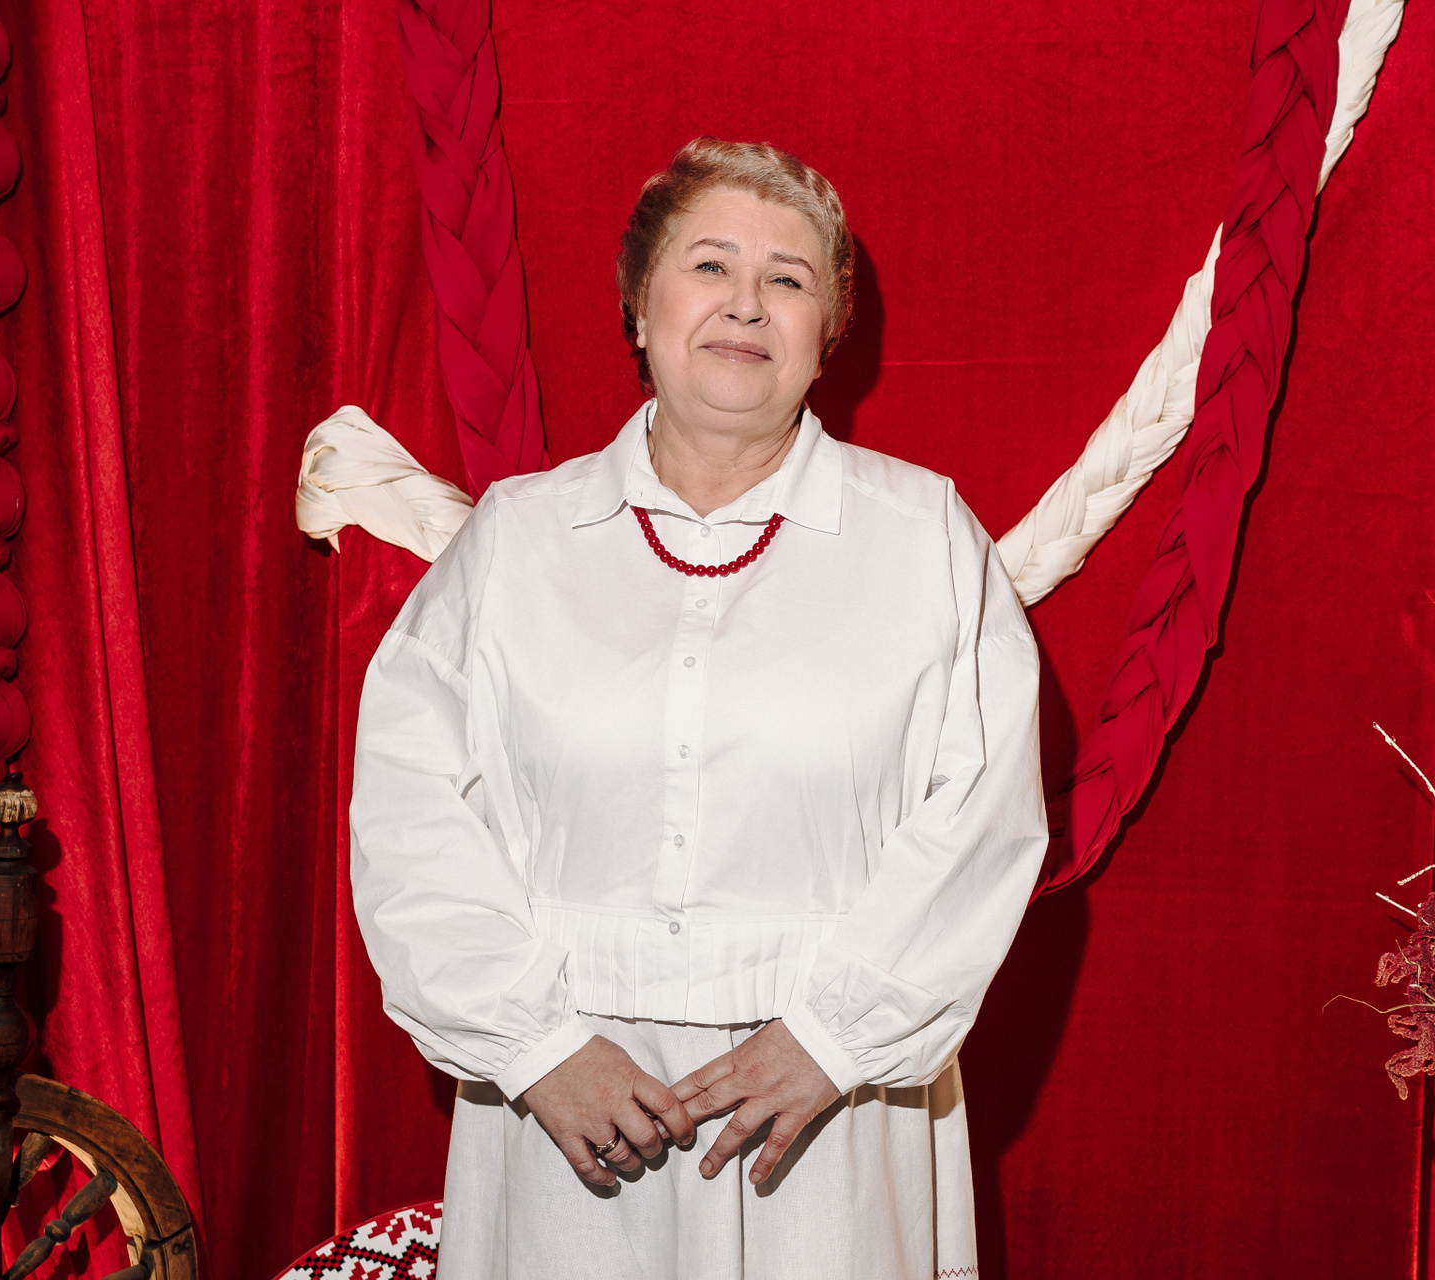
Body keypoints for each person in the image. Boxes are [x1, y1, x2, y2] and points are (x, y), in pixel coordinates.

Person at [349, 135, 1048, 1279]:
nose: (746, 303)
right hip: (570, 1108)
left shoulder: (925, 538)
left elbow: (984, 822)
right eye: (710, 264)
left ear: (829, 331)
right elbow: (410, 811)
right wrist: (534, 1044)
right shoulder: (517, 538)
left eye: (789, 278)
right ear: (640, 305)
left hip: (827, 1111)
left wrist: (833, 1037)